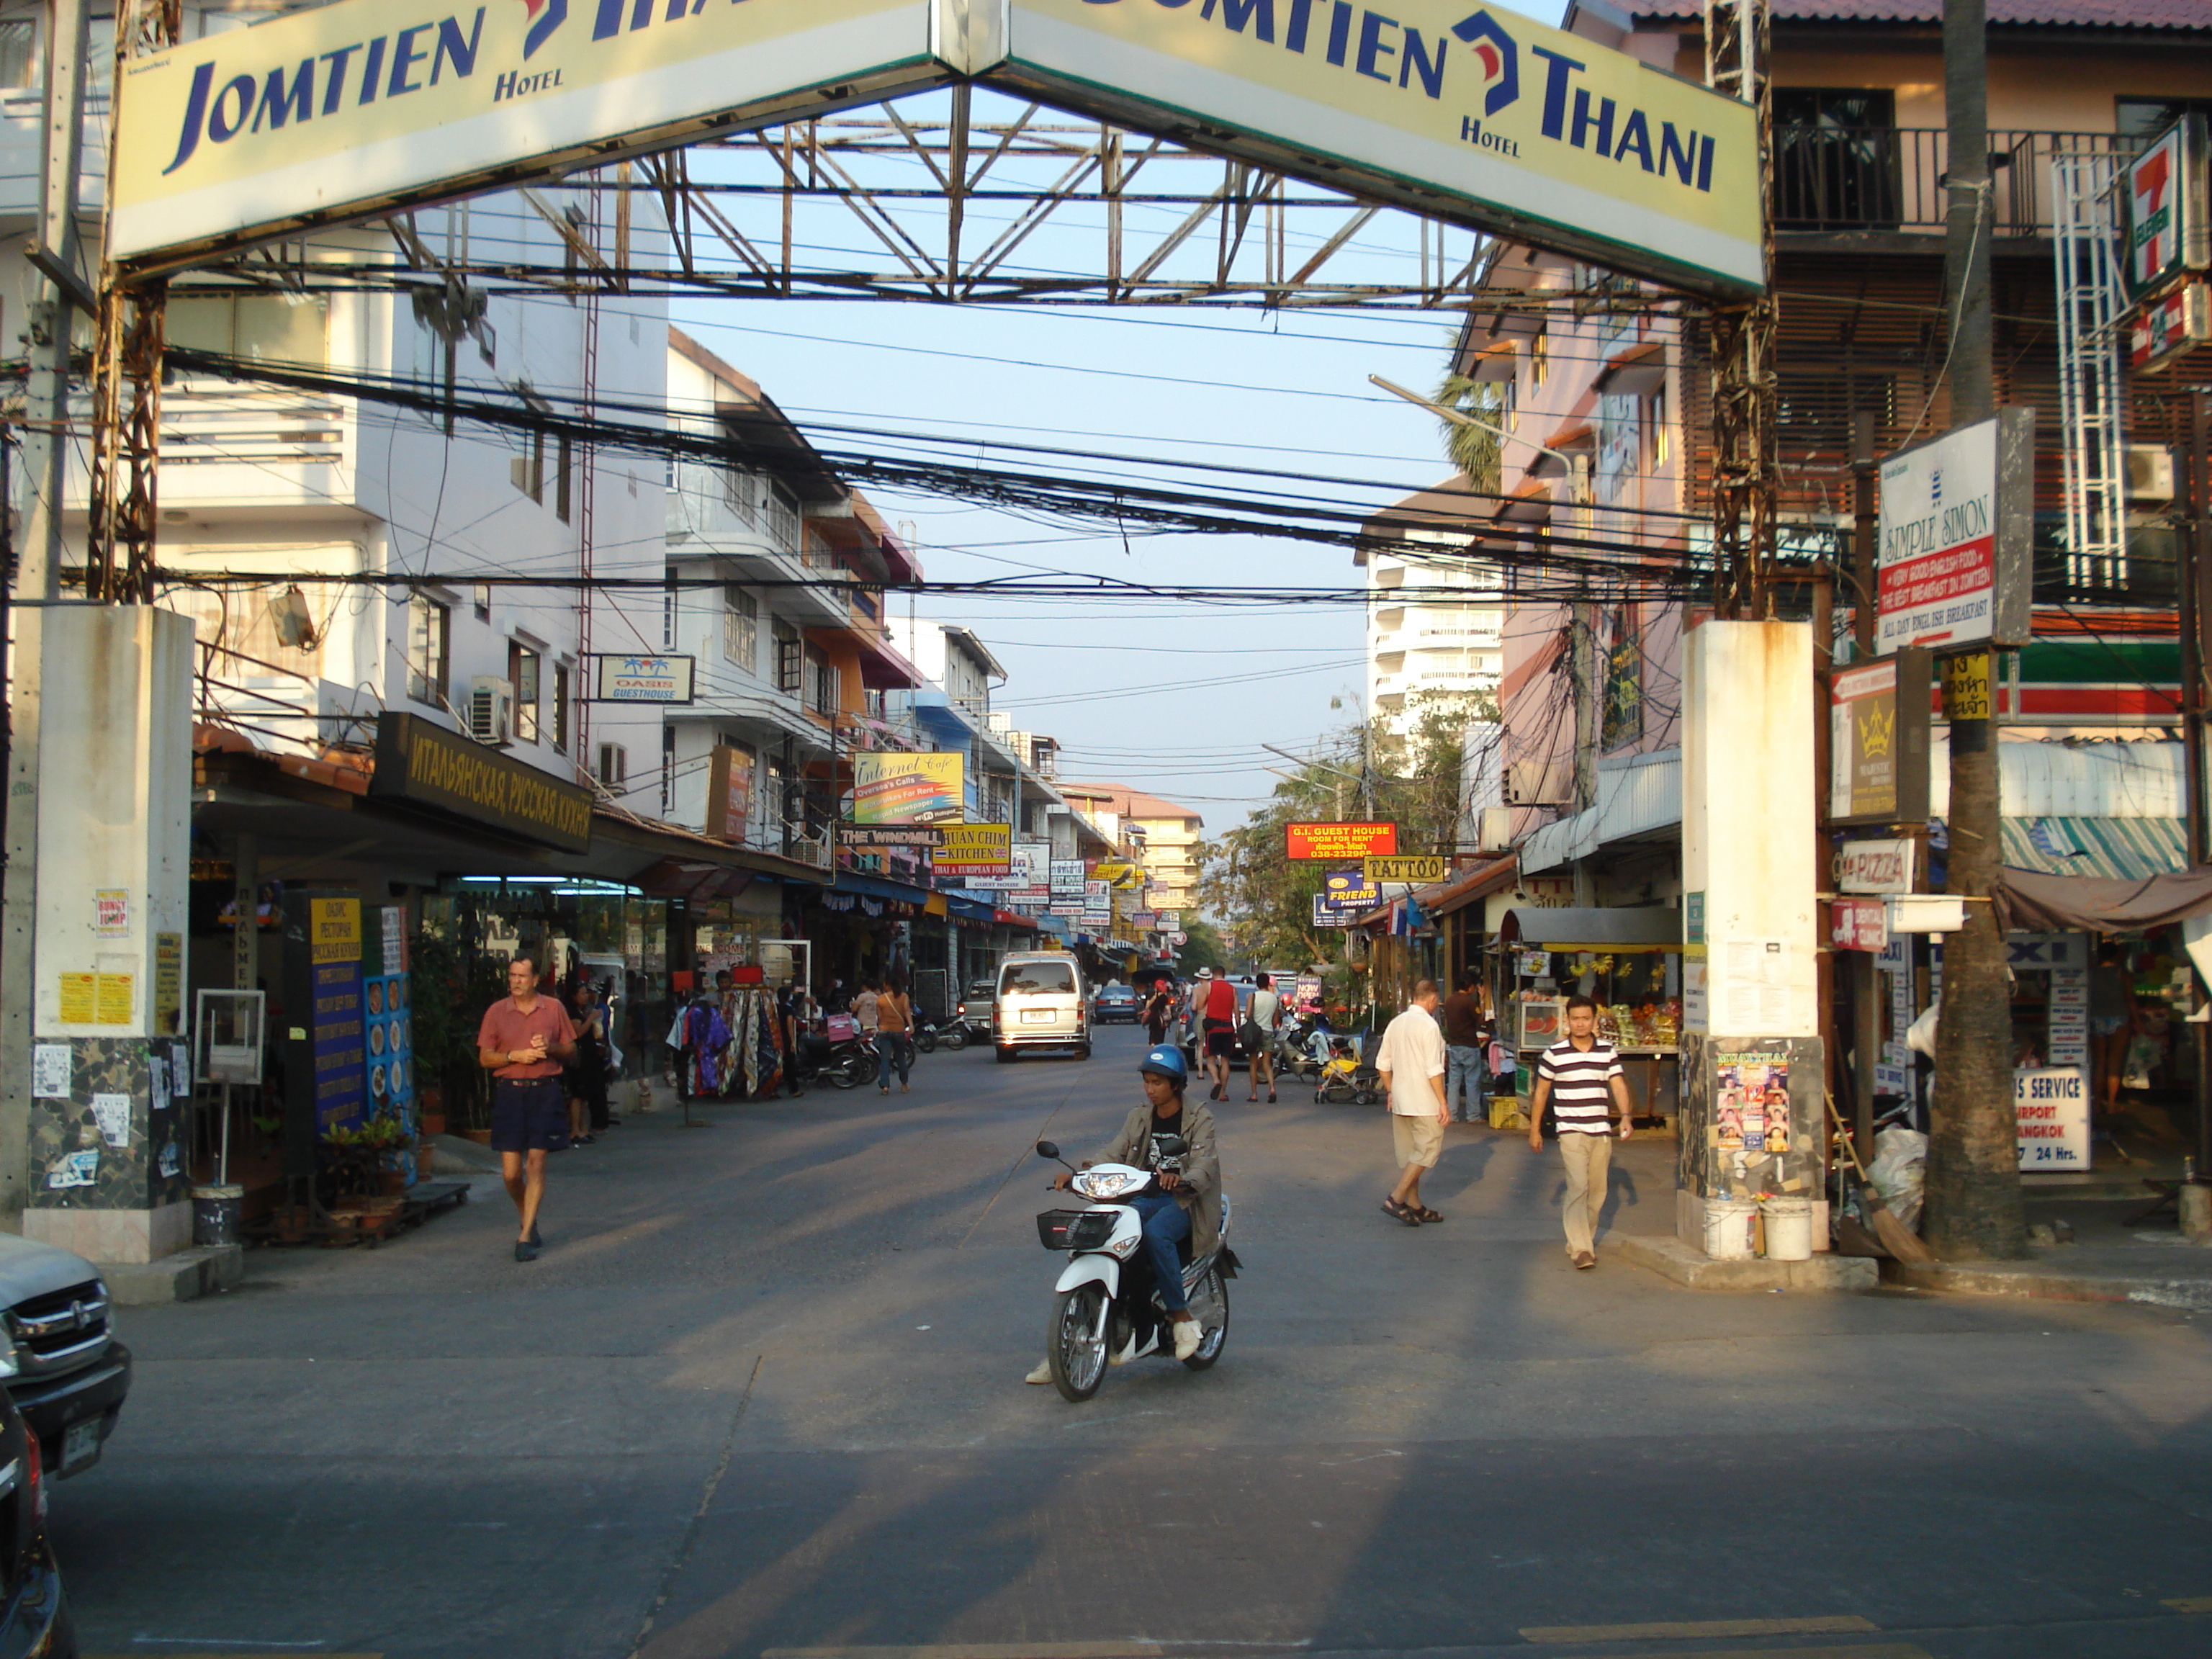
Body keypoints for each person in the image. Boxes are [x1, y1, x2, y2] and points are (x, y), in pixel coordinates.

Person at [1027, 1044, 1220, 1382]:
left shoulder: (1198, 1116)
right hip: (1141, 1197)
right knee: (1101, 1237)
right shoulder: (1139, 1117)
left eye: (1157, 1083)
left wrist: (1183, 1178)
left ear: (1175, 1084)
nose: (1150, 1089)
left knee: (1157, 1234)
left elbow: (1206, 1162)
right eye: (1147, 1082)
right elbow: (1114, 1151)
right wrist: (1079, 1174)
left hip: (1184, 1200)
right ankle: (1066, 1348)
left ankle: (1182, 1318)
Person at [477, 956, 578, 1262]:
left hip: (543, 1091)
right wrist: (514, 1056)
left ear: (536, 980)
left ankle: (524, 1238)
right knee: (510, 1174)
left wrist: (549, 1047)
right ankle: (529, 1218)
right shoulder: (497, 1011)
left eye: (522, 976)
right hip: (511, 1092)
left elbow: (571, 1051)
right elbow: (485, 1058)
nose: (516, 981)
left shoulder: (554, 1009)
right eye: (512, 976)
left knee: (535, 1164)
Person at [1527, 993, 1635, 1269]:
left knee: (1597, 1192)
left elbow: (1618, 1085)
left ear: (1594, 1021)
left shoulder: (1606, 1051)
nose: (1580, 1024)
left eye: (1586, 1019)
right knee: (1578, 1185)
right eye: (1575, 1019)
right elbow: (1541, 1093)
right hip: (1570, 1130)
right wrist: (1535, 1129)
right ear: (1568, 1021)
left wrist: (1625, 1116)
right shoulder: (1554, 1054)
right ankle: (1582, 1249)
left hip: (1600, 1130)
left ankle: (1579, 1238)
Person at [1375, 979, 1450, 1226]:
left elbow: (1382, 1064)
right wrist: (1443, 1101)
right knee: (1427, 1149)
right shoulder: (1429, 1026)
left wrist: (1391, 1090)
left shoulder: (1396, 1023)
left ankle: (1414, 1203)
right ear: (1431, 1000)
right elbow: (1434, 1069)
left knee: (1412, 1154)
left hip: (1401, 1100)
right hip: (1424, 1101)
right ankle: (1396, 1198)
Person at [2089, 943, 2137, 1117]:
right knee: (2114, 1064)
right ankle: (2110, 1105)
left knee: (2099, 1063)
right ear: (2116, 955)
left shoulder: (2091, 973)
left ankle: (2095, 1104)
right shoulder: (2122, 974)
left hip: (2096, 1018)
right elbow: (2130, 999)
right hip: (2119, 1017)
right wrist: (2138, 1021)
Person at [1439, 973, 1490, 1125]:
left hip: (1454, 1045)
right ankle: (1473, 1115)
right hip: (1470, 1045)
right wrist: (1481, 999)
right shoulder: (1468, 1002)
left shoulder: (1449, 1001)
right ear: (1470, 987)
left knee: (1454, 1081)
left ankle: (1452, 1113)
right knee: (1472, 1081)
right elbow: (1480, 1019)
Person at [565, 981, 608, 1145]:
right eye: (582, 994)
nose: (585, 997)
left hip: (589, 1056)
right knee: (578, 1094)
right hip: (579, 1058)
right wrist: (590, 1019)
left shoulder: (583, 1010)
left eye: (586, 994)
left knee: (584, 1096)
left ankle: (583, 1128)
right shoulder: (573, 1013)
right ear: (574, 996)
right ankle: (575, 1129)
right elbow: (577, 1033)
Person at [1195, 967, 1238, 1101]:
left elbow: (1200, 1006)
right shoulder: (1232, 989)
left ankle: (1216, 1081)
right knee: (1225, 1060)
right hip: (1228, 1028)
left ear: (1213, 975)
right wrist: (1238, 1027)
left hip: (1213, 1028)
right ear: (1224, 975)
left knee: (1210, 1059)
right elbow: (1236, 1010)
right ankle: (1222, 1093)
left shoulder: (1209, 987)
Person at [1245, 972, 1282, 1104]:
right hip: (1268, 1031)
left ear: (1257, 983)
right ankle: (1272, 1088)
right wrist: (1270, 1027)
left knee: (1254, 1063)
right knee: (1267, 1063)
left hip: (1254, 1033)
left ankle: (1254, 1094)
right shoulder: (1274, 998)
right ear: (1268, 983)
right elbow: (1276, 1018)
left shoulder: (1253, 996)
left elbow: (1248, 1015)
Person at [876, 974, 914, 1094]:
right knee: (901, 1058)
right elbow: (907, 1012)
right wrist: (911, 1025)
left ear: (887, 985)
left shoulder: (880, 999)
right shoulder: (904, 997)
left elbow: (880, 1017)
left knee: (885, 1059)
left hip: (884, 1031)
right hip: (898, 1031)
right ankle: (904, 1085)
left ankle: (885, 1086)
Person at [1141, 979, 1174, 1046]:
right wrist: (1170, 1015)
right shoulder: (1164, 997)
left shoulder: (1151, 995)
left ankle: (1152, 1044)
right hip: (1160, 1018)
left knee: (1152, 1032)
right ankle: (1159, 1046)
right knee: (1160, 1034)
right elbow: (1167, 1007)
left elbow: (1147, 1006)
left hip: (1152, 1017)